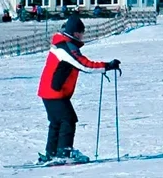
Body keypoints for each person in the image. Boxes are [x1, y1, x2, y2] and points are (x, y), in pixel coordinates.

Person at [37, 16, 120, 164]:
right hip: (54, 92)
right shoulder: (65, 47)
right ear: (75, 33)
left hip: (51, 91)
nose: (83, 35)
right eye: (81, 32)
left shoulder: (63, 44)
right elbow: (84, 65)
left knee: (57, 121)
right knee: (68, 120)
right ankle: (64, 152)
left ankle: (52, 153)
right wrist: (107, 66)